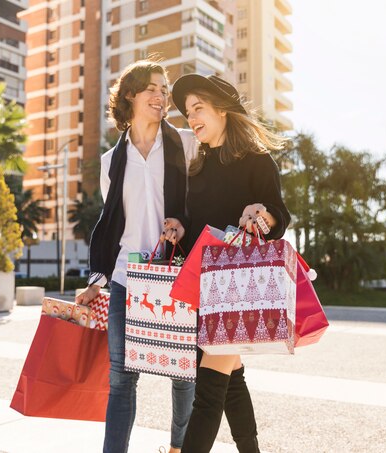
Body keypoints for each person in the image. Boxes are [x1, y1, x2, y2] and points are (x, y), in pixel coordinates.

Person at [165, 74, 291, 453]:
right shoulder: (197, 167)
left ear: (222, 109)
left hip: (236, 293)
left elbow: (278, 217)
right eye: (188, 113)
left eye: (198, 109)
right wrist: (177, 228)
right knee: (232, 379)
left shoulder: (255, 159)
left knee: (208, 393)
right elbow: (198, 231)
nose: (192, 119)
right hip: (203, 290)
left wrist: (262, 213)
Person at [75, 60, 197, 453]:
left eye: (165, 90)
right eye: (153, 88)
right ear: (130, 94)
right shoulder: (113, 161)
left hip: (177, 276)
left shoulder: (184, 143)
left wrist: (183, 223)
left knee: (183, 374)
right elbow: (111, 224)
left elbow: (201, 205)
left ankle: (179, 448)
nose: (161, 96)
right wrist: (97, 279)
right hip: (128, 279)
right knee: (121, 377)